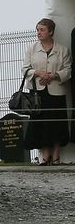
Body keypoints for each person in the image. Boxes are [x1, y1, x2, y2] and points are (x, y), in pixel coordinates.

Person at [23, 17, 71, 165]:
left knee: (56, 124)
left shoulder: (62, 50)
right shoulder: (32, 49)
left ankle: (56, 155)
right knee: (40, 124)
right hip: (38, 93)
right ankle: (44, 155)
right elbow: (25, 69)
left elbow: (68, 70)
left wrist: (54, 75)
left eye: (42, 30)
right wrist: (38, 73)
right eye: (37, 30)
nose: (38, 32)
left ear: (51, 32)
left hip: (56, 92)